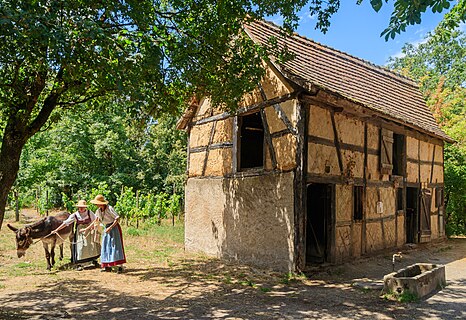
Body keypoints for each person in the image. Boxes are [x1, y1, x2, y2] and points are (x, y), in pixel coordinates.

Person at [51, 200, 101, 270]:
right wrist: (57, 230)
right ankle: (80, 264)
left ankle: (94, 261)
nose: (81, 208)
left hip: (89, 231)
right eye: (79, 207)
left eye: (82, 207)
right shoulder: (75, 215)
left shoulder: (89, 213)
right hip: (80, 231)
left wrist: (91, 227)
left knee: (91, 246)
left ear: (85, 207)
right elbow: (66, 223)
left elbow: (96, 220)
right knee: (80, 247)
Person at [90, 194, 126, 273]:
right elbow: (97, 220)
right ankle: (107, 266)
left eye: (97, 203)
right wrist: (91, 227)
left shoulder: (109, 208)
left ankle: (120, 266)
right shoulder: (99, 211)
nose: (96, 205)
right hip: (106, 228)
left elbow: (117, 218)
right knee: (106, 246)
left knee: (115, 246)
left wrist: (110, 227)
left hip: (114, 228)